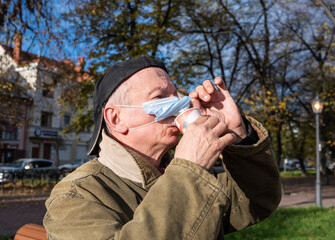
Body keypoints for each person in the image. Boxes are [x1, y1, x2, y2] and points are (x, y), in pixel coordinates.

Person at [43, 56, 281, 239]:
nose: (179, 104)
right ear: (116, 119)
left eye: (175, 94)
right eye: (159, 97)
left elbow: (259, 201)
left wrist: (239, 137)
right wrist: (189, 169)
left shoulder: (182, 174)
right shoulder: (77, 195)